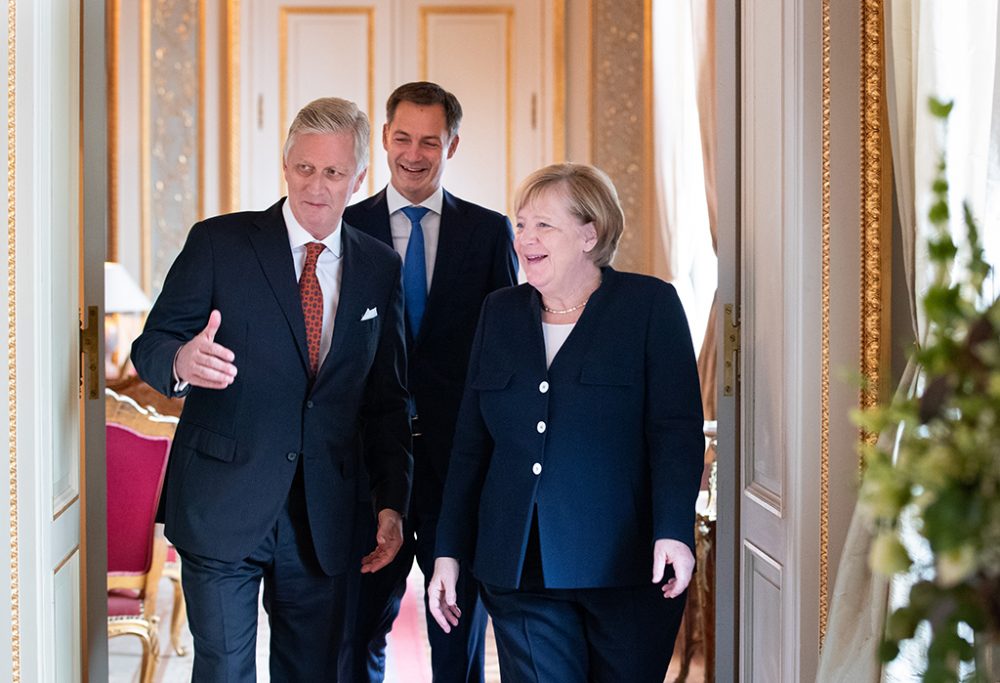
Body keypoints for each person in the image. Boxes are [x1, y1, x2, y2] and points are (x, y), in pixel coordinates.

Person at [130, 97, 412, 682]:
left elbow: (386, 400)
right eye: (304, 167)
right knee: (226, 670)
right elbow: (151, 344)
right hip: (222, 502)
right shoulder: (219, 244)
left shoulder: (379, 268)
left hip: (326, 515)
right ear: (286, 165)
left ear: (359, 179)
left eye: (333, 172)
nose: (316, 185)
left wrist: (391, 500)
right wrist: (182, 359)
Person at [428, 162, 704, 682]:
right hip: (520, 567)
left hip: (627, 567)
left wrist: (673, 530)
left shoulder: (649, 306)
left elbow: (675, 432)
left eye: (543, 225)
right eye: (521, 223)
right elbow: (471, 446)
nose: (525, 238)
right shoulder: (500, 312)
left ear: (589, 234)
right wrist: (448, 553)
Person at [341, 81, 517, 683]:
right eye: (402, 139)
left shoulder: (491, 234)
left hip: (459, 464)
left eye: (430, 142)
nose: (414, 154)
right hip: (367, 465)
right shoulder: (343, 227)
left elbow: (508, 351)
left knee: (457, 635)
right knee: (358, 630)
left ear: (453, 145)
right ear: (385, 140)